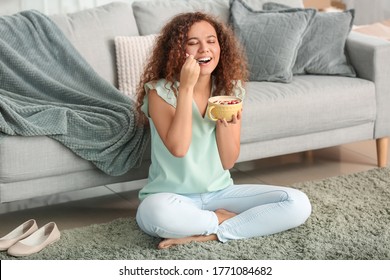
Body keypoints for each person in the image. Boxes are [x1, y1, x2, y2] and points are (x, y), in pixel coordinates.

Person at [135, 12, 311, 249]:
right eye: (192, 43)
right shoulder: (159, 92)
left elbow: (228, 161)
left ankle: (211, 233)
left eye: (211, 41)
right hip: (171, 197)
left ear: (220, 47)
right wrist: (186, 88)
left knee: (297, 203)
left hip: (220, 193)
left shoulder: (229, 90)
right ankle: (223, 220)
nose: (204, 49)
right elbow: (179, 147)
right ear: (177, 51)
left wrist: (224, 126)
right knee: (155, 214)